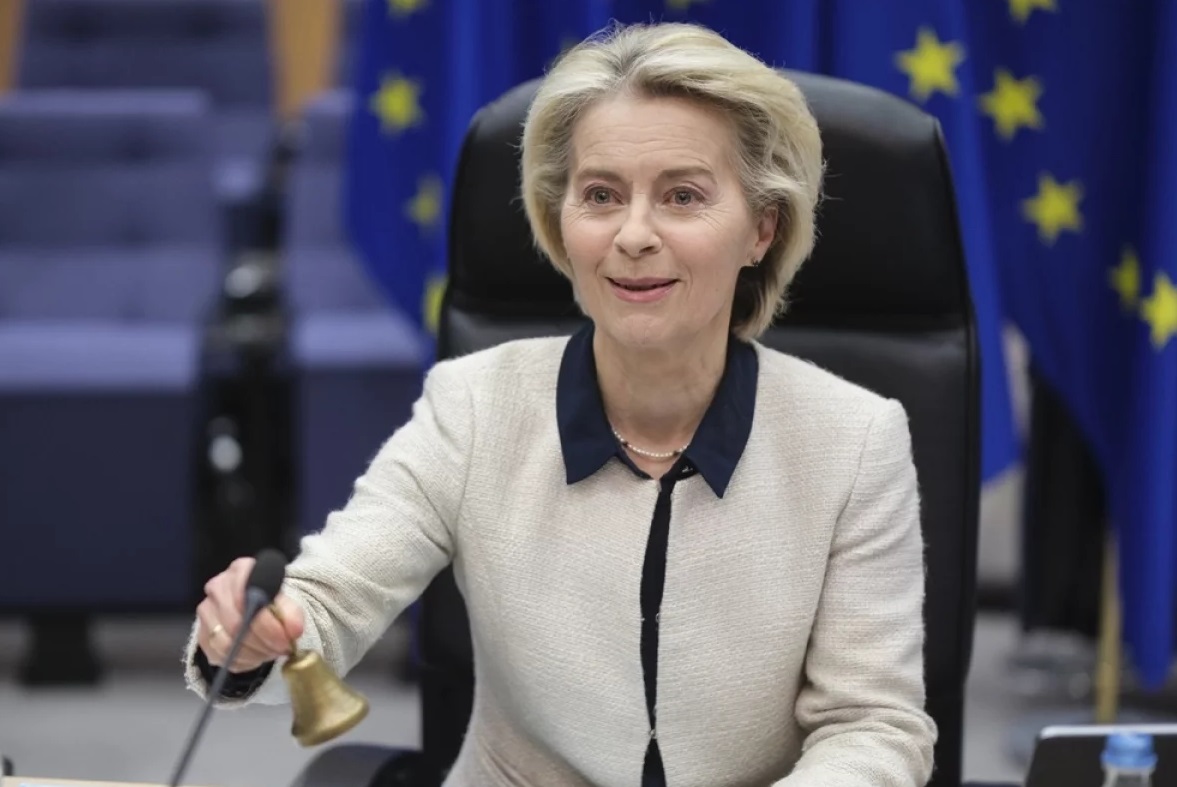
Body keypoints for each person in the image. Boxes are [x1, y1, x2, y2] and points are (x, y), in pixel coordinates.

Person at [184, 20, 937, 787]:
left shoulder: (852, 440)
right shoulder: (474, 407)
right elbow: (327, 599)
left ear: (760, 229)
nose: (633, 235)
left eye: (681, 196)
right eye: (600, 195)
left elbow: (871, 724)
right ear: (559, 220)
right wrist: (253, 634)